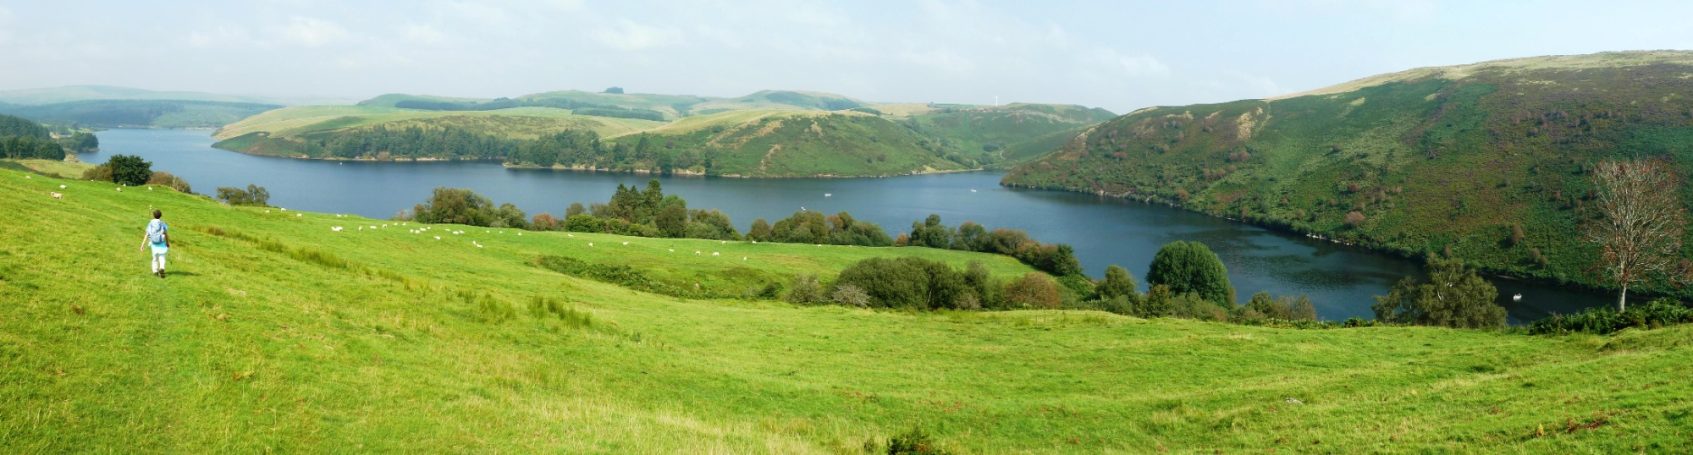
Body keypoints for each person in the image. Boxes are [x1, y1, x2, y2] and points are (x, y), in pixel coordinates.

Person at [141, 209, 170, 278]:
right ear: (160, 216)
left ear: (153, 215)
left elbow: (147, 235)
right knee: (162, 257)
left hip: (153, 244)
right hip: (162, 243)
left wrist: (142, 245)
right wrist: (167, 243)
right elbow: (166, 234)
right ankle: (162, 268)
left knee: (155, 258)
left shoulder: (150, 223)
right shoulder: (163, 223)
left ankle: (155, 271)